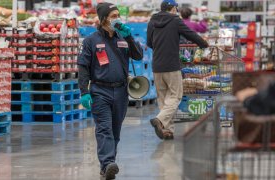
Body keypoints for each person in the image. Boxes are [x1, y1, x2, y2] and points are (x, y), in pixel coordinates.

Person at [78, 2, 143, 179]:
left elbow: (138, 56)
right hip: (100, 91)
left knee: (115, 131)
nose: (117, 19)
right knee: (104, 128)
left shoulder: (123, 38)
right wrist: (84, 91)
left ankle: (107, 166)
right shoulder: (91, 41)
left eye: (118, 15)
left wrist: (130, 37)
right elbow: (83, 66)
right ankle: (107, 163)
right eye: (113, 16)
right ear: (104, 18)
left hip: (121, 91)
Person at [147, 0, 209, 140]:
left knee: (164, 99)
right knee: (175, 96)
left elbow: (149, 43)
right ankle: (160, 119)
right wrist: (203, 44)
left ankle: (168, 130)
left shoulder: (152, 21)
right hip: (172, 66)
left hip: (157, 66)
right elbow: (190, 34)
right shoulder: (175, 20)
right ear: (173, 8)